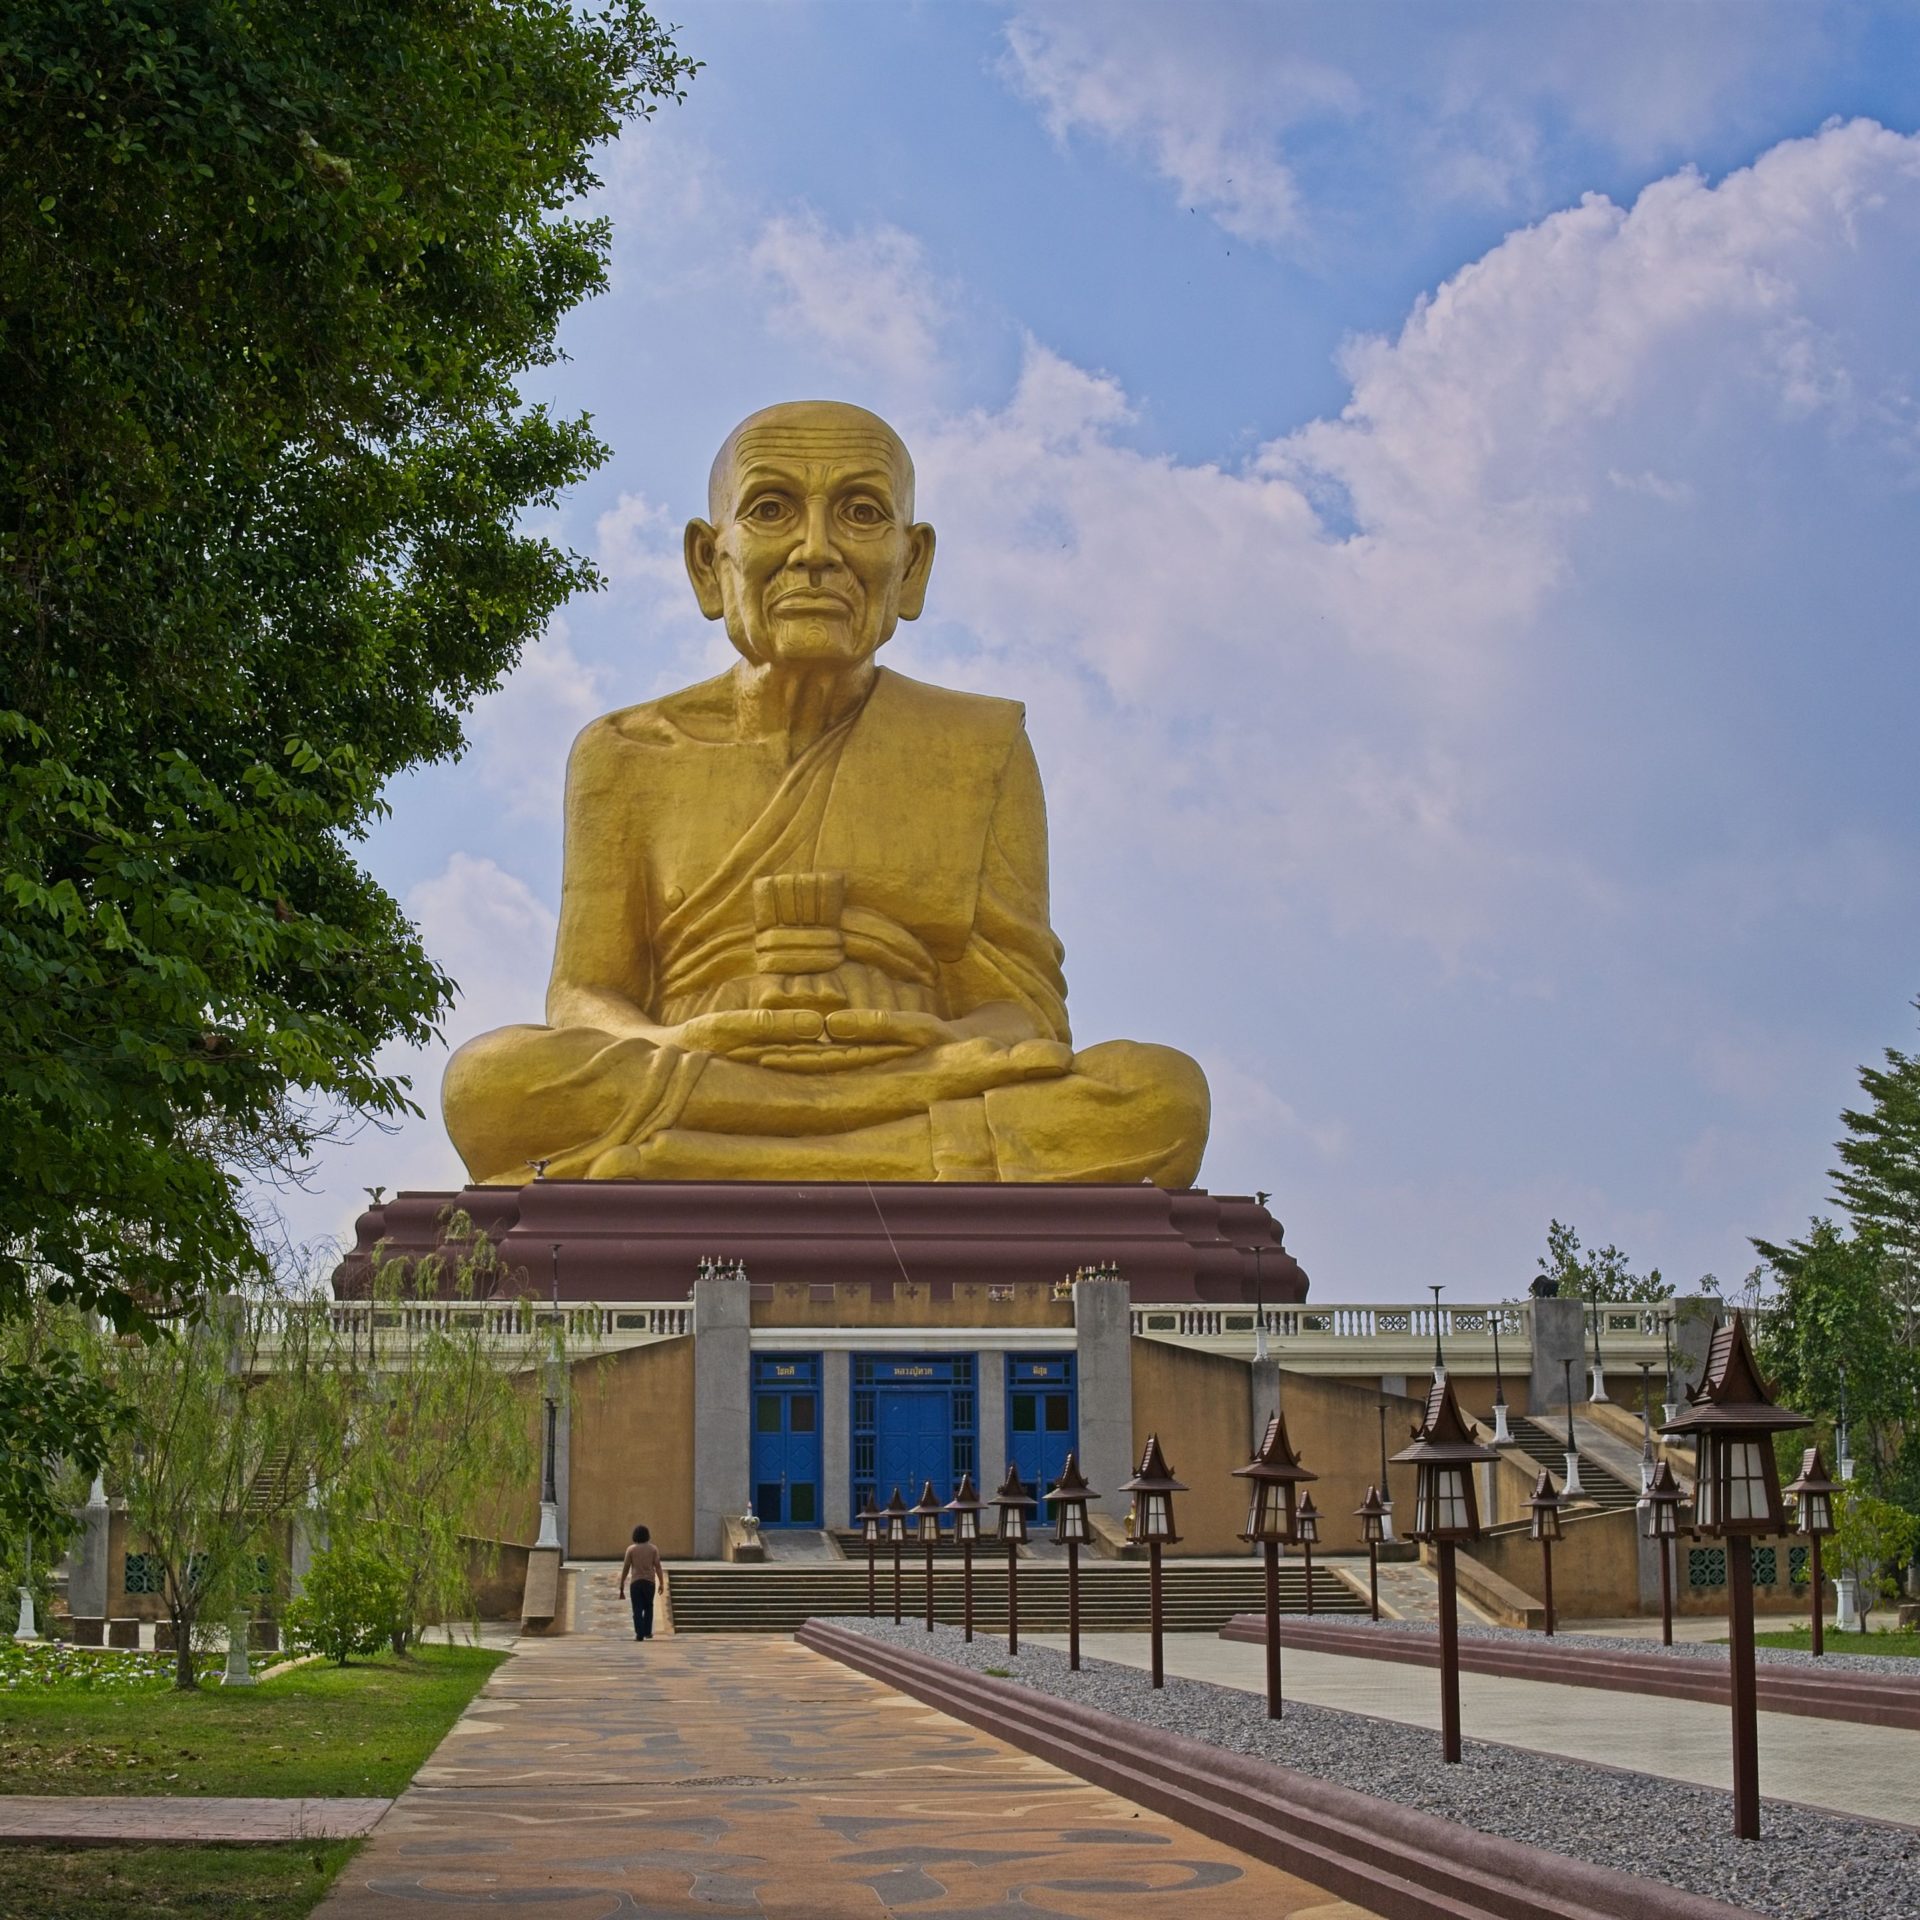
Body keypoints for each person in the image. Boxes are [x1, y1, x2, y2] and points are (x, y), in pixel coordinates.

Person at [441, 399, 1209, 1188]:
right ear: (708, 563)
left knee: (1160, 1094)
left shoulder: (979, 745)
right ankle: (894, 1156)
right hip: (707, 1066)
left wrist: (932, 1045)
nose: (816, 551)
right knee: (490, 1082)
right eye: (771, 510)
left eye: (862, 513)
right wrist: (681, 1042)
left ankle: (713, 1163)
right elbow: (585, 994)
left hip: (904, 1069)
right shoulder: (626, 753)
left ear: (911, 566)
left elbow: (1026, 1012)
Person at [619, 1524, 662, 1641]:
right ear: (647, 1535)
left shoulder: (631, 1549)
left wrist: (622, 1582)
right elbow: (658, 1567)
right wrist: (661, 1582)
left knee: (637, 1609)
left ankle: (639, 1634)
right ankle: (647, 1631)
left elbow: (626, 1567)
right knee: (649, 1607)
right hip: (649, 1582)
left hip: (636, 1583)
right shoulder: (653, 1549)